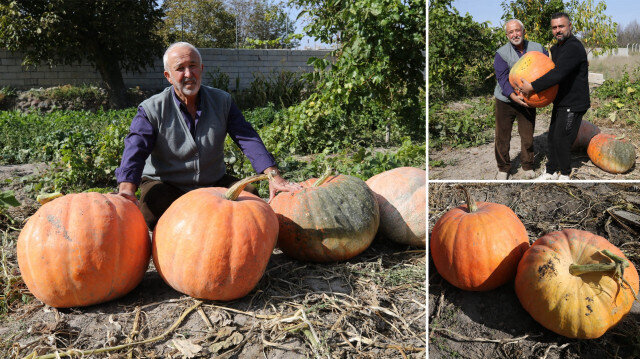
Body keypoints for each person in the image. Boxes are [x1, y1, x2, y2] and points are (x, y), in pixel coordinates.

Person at [115, 42, 301, 229]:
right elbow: (136, 148)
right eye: (180, 68)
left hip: (211, 182)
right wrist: (126, 191)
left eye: (193, 66)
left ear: (201, 68)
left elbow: (247, 137)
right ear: (168, 76)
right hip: (166, 183)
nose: (188, 74)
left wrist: (273, 175)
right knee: (154, 206)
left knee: (250, 195)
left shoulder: (222, 101)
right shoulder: (151, 109)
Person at [518, 12, 590, 181]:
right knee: (552, 138)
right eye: (554, 27)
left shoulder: (573, 47)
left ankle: (564, 174)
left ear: (570, 26)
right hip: (561, 101)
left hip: (574, 102)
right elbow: (548, 70)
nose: (558, 30)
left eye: (561, 26)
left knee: (563, 139)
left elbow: (557, 74)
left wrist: (533, 87)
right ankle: (550, 172)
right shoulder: (556, 48)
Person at [492, 19, 547, 180]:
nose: (514, 34)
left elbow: (547, 69)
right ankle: (503, 168)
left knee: (527, 135)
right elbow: (502, 79)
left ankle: (527, 165)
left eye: (517, 30)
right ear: (507, 35)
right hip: (505, 100)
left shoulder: (538, 49)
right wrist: (513, 96)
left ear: (523, 31)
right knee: (502, 136)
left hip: (529, 100)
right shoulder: (501, 53)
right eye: (511, 32)